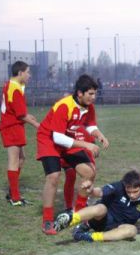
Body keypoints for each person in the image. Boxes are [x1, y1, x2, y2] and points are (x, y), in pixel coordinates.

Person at [36, 74, 109, 235]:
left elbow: (90, 125)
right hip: (49, 140)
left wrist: (99, 135)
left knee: (89, 173)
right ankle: (47, 220)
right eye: (90, 94)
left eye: (95, 93)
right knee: (53, 176)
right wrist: (86, 144)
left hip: (68, 140)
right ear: (79, 93)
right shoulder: (64, 106)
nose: (94, 97)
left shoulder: (89, 106)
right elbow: (57, 137)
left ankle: (78, 214)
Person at [54, 170, 140, 242]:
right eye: (128, 191)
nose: (132, 195)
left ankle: (88, 237)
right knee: (101, 208)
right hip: (99, 219)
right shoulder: (118, 186)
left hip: (115, 229)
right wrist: (91, 190)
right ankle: (69, 219)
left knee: (132, 231)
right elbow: (101, 192)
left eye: (135, 191)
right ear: (124, 185)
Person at [0, 61, 40, 206]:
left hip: (15, 126)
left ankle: (12, 191)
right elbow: (20, 115)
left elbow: (18, 110)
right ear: (20, 73)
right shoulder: (14, 88)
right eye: (28, 72)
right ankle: (14, 197)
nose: (29, 75)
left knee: (21, 159)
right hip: (11, 127)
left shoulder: (15, 85)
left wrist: (29, 116)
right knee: (14, 160)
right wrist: (37, 125)